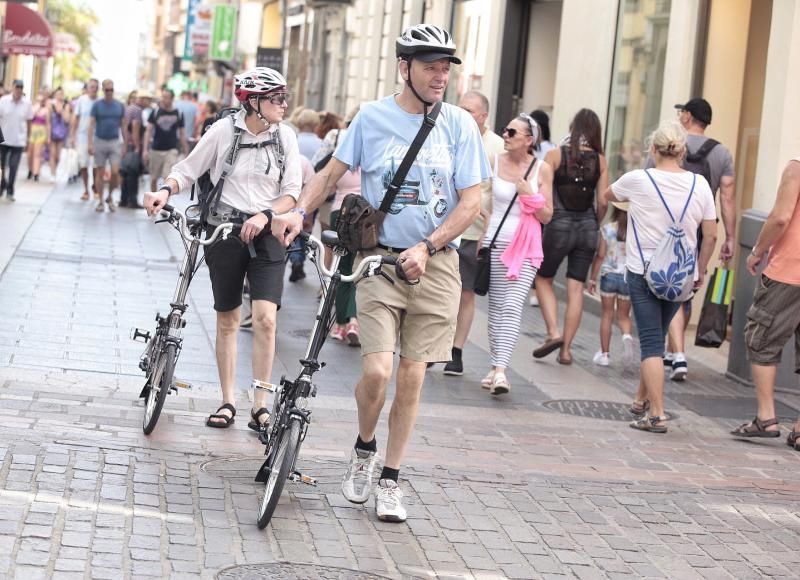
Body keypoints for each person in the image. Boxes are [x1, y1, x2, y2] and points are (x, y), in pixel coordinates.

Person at [271, 24, 489, 522]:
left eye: (445, 68)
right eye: (431, 66)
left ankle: (391, 478)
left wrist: (429, 246)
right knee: (377, 370)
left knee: (411, 378)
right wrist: (298, 213)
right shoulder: (372, 118)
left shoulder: (458, 125)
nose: (440, 76)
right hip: (377, 261)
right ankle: (364, 446)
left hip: (435, 267)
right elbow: (329, 173)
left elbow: (472, 201)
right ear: (404, 68)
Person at [143, 67, 302, 433]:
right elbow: (187, 169)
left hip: (265, 230)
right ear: (254, 102)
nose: (284, 104)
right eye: (276, 98)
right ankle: (228, 400)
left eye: (284, 97)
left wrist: (266, 215)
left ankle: (260, 404)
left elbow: (291, 191)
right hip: (225, 230)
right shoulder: (224, 131)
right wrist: (164, 191)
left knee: (265, 317)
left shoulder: (286, 138)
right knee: (228, 318)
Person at [604, 120, 717, 433]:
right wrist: (701, 268)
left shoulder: (638, 179)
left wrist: (636, 206)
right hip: (681, 274)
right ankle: (641, 400)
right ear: (681, 151)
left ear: (653, 150)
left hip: (643, 271)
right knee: (659, 333)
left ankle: (656, 414)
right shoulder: (701, 185)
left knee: (652, 343)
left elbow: (606, 195)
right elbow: (710, 234)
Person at [661, 98, 736, 381]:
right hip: (702, 228)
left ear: (688, 116)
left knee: (670, 288)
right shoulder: (722, 153)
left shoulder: (668, 145)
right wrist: (731, 236)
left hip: (667, 227)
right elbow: (727, 198)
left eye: (682, 112)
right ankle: (672, 350)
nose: (680, 116)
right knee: (688, 286)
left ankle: (678, 354)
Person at [731, 158, 800, 448]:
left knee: (760, 338)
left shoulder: (796, 168)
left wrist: (757, 250)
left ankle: (766, 417)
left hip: (790, 271)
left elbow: (781, 217)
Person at [482, 114, 553, 394]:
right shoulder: (494, 161)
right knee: (497, 309)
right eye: (505, 131)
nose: (506, 135)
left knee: (512, 306)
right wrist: (483, 217)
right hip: (496, 242)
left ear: (529, 139)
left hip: (525, 248)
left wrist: (528, 195)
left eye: (512, 132)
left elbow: (547, 215)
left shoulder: (542, 169)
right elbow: (479, 196)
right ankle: (494, 365)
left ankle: (501, 371)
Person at [533, 109, 609, 364]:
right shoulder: (601, 160)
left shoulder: (555, 155)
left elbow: (541, 190)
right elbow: (603, 201)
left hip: (559, 225)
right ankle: (566, 351)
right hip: (587, 227)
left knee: (543, 278)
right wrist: (595, 223)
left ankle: (553, 332)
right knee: (576, 287)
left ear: (573, 128)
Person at [442, 90, 505, 376]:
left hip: (474, 233)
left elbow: (500, 192)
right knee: (443, 292)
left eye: (470, 110)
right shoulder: (447, 134)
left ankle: (456, 351)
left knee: (466, 294)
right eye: (461, 108)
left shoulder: (497, 148)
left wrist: (487, 218)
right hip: (443, 228)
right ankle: (437, 345)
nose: (463, 114)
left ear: (483, 116)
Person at [587, 201, 634, 367]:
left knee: (607, 314)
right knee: (623, 315)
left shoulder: (608, 228)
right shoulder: (636, 232)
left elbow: (600, 255)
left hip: (609, 275)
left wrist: (592, 278)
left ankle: (605, 355)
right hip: (627, 278)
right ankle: (627, 336)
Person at [88, 79, 126, 212]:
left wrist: (125, 144)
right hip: (100, 140)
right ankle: (100, 201)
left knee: (115, 172)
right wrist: (90, 143)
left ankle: (110, 196)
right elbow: (91, 124)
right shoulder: (97, 105)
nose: (109, 92)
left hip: (114, 141)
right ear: (103, 90)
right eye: (107, 90)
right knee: (100, 171)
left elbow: (123, 125)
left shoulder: (119, 105)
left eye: (111, 90)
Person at [143, 88, 187, 192]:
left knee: (167, 178)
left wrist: (186, 151)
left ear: (172, 99)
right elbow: (148, 131)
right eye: (163, 97)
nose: (164, 99)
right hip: (156, 149)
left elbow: (182, 134)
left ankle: (163, 205)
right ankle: (153, 200)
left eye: (166, 97)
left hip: (171, 149)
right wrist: (145, 149)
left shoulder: (179, 113)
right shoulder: (155, 112)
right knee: (153, 179)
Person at [0, 80, 33, 201]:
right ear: (13, 87)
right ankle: (2, 184)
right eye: (17, 87)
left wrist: (28, 139)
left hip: (18, 140)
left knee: (13, 166)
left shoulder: (27, 103)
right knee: (1, 166)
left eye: (21, 87)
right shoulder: (4, 101)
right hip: (3, 139)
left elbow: (29, 122)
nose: (19, 89)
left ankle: (10, 190)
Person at [69, 78, 99, 202]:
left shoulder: (100, 102)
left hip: (97, 138)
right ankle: (86, 190)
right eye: (91, 87)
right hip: (82, 137)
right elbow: (76, 118)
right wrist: (72, 135)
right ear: (87, 88)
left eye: (96, 87)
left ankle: (95, 187)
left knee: (97, 165)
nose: (94, 89)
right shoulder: (82, 100)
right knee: (83, 165)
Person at [120, 90, 143, 208]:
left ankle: (123, 199)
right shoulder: (137, 110)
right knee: (133, 173)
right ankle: (132, 200)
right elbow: (135, 128)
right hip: (132, 145)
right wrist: (138, 146)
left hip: (124, 144)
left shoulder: (125, 109)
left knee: (125, 173)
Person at [48, 87, 72, 180]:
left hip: (62, 133)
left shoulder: (66, 105)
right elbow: (48, 121)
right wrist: (48, 135)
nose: (59, 96)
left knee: (58, 156)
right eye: (57, 94)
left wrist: (62, 111)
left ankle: (55, 169)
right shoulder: (51, 105)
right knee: (52, 154)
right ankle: (52, 174)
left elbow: (67, 120)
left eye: (61, 94)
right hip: (53, 132)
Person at [27, 94, 49, 182]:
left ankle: (36, 173)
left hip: (41, 131)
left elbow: (48, 124)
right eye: (38, 100)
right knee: (30, 153)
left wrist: (48, 137)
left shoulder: (46, 110)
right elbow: (30, 118)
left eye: (41, 100)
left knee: (37, 154)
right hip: (32, 131)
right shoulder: (32, 108)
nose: (39, 102)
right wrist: (36, 108)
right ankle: (30, 169)